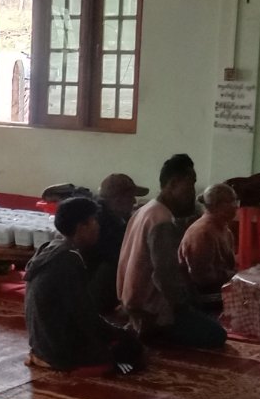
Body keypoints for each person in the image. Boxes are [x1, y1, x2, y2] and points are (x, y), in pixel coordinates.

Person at [116, 155, 228, 349]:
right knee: (217, 334)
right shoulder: (162, 220)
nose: (193, 192)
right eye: (190, 185)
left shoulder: (145, 210)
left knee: (204, 309)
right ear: (173, 184)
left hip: (131, 302)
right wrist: (184, 308)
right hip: (151, 311)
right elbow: (165, 275)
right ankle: (155, 331)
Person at [25, 198, 146, 374]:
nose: (98, 227)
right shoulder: (69, 260)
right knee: (131, 350)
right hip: (57, 350)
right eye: (94, 221)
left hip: (40, 342)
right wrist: (121, 334)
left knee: (118, 338)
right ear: (81, 227)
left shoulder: (50, 247)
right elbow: (85, 317)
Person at [88, 174, 150, 311]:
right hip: (98, 300)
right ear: (117, 199)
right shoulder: (104, 225)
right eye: (131, 197)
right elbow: (124, 257)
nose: (134, 201)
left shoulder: (102, 215)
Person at [180, 184, 239, 302]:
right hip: (201, 297)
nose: (236, 206)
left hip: (218, 289)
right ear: (216, 205)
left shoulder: (224, 230)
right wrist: (235, 276)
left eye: (236, 202)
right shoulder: (202, 232)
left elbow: (229, 266)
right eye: (231, 202)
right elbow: (202, 278)